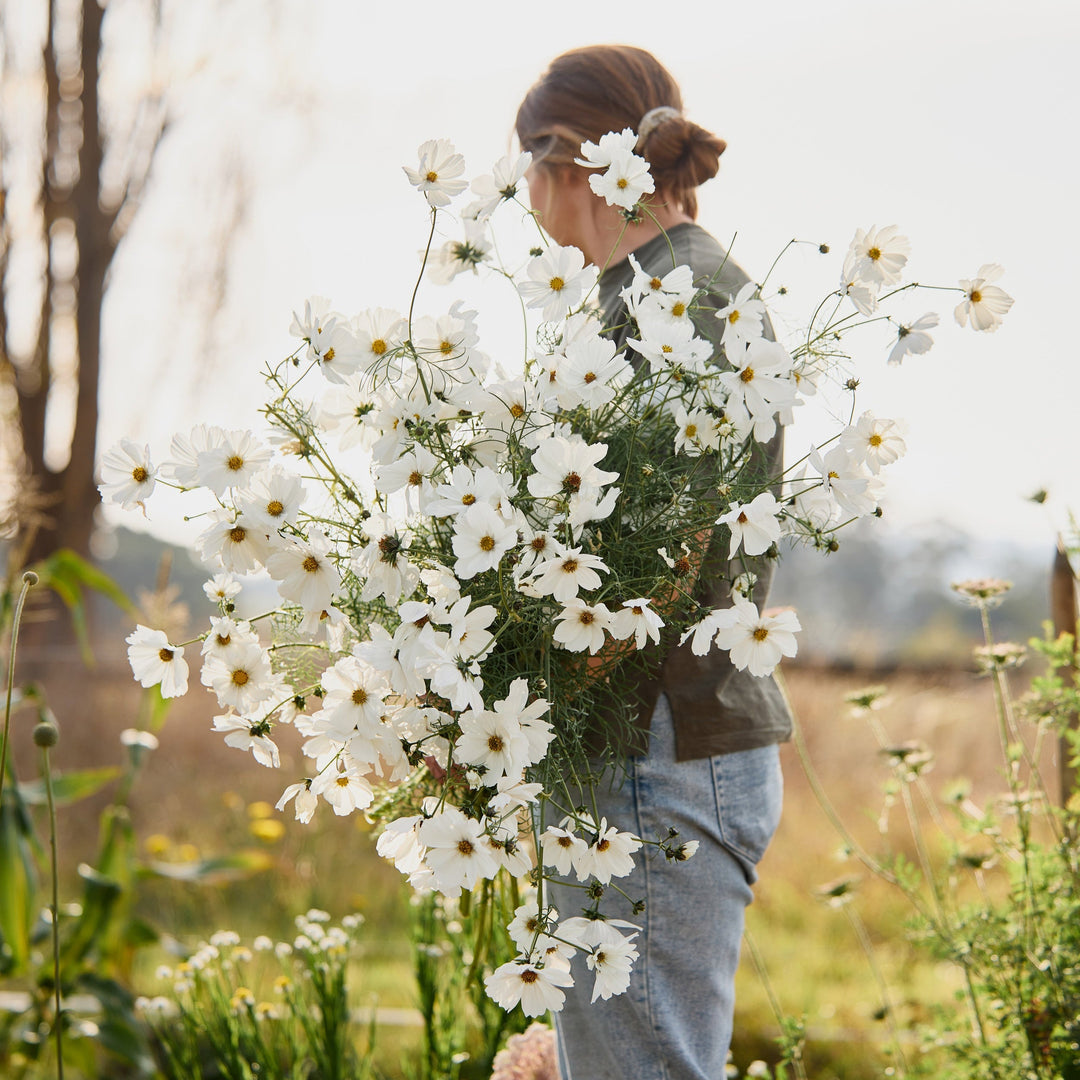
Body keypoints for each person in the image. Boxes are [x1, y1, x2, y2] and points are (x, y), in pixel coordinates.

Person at [515, 46, 793, 1080]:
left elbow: (666, 552)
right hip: (637, 750)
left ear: (564, 162)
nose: (523, 199)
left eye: (524, 170)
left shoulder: (692, 300)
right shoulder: (640, 295)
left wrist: (517, 707)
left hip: (661, 748)